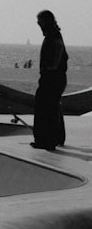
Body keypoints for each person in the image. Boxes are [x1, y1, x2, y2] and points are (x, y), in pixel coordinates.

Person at [32, 10, 68, 150]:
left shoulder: (54, 36)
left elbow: (58, 52)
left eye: (40, 21)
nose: (38, 25)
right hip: (54, 78)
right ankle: (57, 138)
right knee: (53, 107)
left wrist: (50, 67)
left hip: (52, 78)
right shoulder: (53, 35)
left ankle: (46, 140)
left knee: (44, 107)